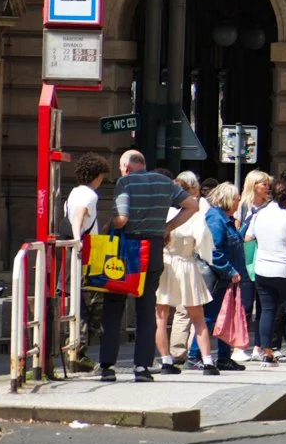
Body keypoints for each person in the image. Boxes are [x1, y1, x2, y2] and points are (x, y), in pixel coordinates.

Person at [98, 150, 194, 383]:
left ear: (126, 167)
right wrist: (167, 227)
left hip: (125, 251)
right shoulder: (165, 182)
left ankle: (107, 366)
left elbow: (122, 218)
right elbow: (192, 205)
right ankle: (142, 366)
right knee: (147, 307)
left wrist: (107, 226)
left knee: (114, 307)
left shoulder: (125, 182)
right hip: (152, 250)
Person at [152, 171, 219, 377]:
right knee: (197, 317)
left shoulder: (163, 212)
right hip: (187, 263)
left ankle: (165, 360)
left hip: (165, 263)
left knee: (161, 317)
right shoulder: (195, 215)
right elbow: (205, 245)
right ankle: (207, 362)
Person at [245, 174, 286, 365]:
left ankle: (266, 353)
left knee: (266, 310)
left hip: (263, 270)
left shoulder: (260, 214)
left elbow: (248, 238)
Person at [63, 153, 108, 365]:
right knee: (90, 305)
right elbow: (80, 216)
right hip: (85, 254)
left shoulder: (73, 193)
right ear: (96, 176)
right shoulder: (90, 195)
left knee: (78, 303)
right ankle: (79, 353)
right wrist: (78, 239)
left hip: (74, 255)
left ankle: (76, 350)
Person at [199, 181, 247, 371]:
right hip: (218, 278)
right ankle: (197, 355)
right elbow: (213, 250)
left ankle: (224, 357)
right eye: (236, 198)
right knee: (211, 317)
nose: (239, 202)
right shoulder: (216, 219)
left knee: (225, 317)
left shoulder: (224, 218)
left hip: (226, 278)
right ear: (228, 200)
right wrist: (230, 270)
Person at [234, 169, 271, 360]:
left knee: (264, 305)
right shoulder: (242, 206)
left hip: (264, 258)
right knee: (245, 304)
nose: (267, 187)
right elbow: (237, 230)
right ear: (254, 185)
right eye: (264, 184)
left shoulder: (270, 207)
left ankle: (259, 346)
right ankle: (239, 346)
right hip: (246, 259)